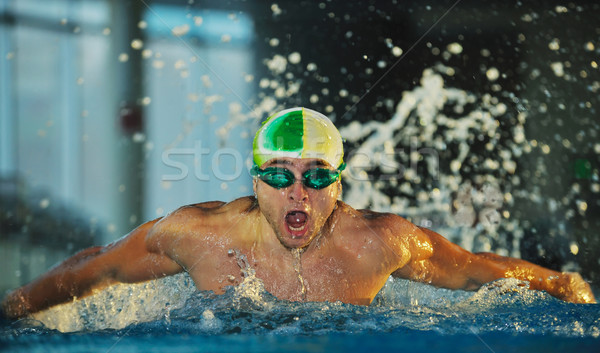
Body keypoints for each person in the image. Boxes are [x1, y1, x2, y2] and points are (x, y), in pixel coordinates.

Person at [1, 107, 595, 319]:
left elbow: (471, 269)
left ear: (339, 186)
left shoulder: (380, 242)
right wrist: (14, 310)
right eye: (280, 177)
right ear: (255, 182)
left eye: (316, 178)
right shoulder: (199, 234)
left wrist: (559, 283)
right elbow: (95, 267)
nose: (298, 194)